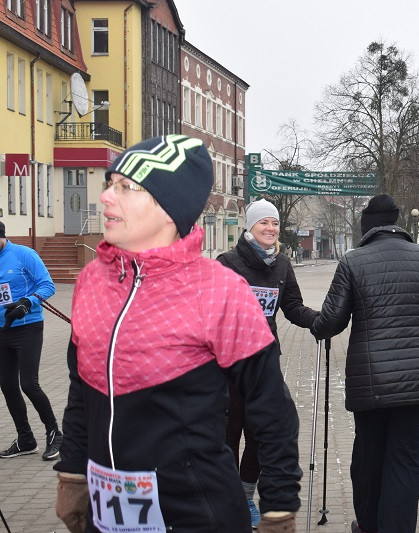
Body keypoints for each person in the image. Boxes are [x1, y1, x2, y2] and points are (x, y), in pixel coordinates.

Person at [53, 134, 301, 533]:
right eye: (109, 184)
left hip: (196, 513)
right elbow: (80, 390)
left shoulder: (221, 290)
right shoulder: (91, 281)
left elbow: (271, 406)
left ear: (169, 209)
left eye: (126, 188)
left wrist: (278, 505)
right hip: (108, 515)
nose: (106, 198)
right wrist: (72, 475)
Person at [310, 194, 419, 533]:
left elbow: (332, 321)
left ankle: (369, 525)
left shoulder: (353, 261)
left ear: (367, 227)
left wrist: (313, 324)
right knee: (404, 457)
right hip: (416, 379)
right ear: (397, 222)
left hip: (370, 377)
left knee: (369, 454)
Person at [217, 198, 317, 527]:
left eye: (274, 223)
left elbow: (294, 308)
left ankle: (245, 494)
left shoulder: (283, 265)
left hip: (265, 360)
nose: (270, 229)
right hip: (229, 362)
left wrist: (324, 321)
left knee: (264, 433)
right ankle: (230, 499)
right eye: (263, 223)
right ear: (250, 226)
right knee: (230, 434)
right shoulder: (228, 262)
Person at [0, 222, 60, 461]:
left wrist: (27, 302)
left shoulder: (23, 254)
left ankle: (55, 433)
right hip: (2, 331)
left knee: (28, 384)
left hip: (28, 327)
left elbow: (48, 285)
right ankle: (26, 439)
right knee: (7, 386)